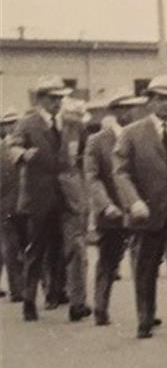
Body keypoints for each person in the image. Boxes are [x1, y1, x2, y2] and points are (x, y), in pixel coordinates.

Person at [113, 74, 167, 342]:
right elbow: (121, 172)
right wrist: (134, 201)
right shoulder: (132, 134)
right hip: (146, 211)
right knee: (145, 268)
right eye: (160, 98)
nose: (165, 104)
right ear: (149, 102)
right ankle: (145, 319)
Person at [8, 75, 73, 321]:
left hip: (61, 195)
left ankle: (54, 292)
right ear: (41, 99)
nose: (58, 103)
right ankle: (28, 300)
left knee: (58, 248)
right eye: (53, 98)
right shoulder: (27, 123)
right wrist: (24, 154)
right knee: (36, 249)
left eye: (60, 98)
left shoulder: (65, 122)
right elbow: (12, 145)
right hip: (37, 197)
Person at [84, 90, 144, 325]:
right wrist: (105, 205)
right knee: (108, 261)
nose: (132, 112)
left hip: (139, 210)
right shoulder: (97, 141)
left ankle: (145, 314)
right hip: (112, 211)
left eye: (134, 107)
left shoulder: (142, 137)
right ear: (116, 111)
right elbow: (92, 177)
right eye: (126, 108)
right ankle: (101, 308)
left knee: (142, 264)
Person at [57, 98, 92, 322]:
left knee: (71, 249)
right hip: (71, 197)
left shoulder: (75, 134)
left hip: (70, 196)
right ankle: (75, 300)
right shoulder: (70, 134)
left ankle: (62, 293)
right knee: (76, 249)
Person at [0, 108, 24, 302]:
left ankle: (21, 287)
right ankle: (17, 289)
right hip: (5, 204)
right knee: (10, 246)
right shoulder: (2, 149)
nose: (13, 126)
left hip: (23, 202)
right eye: (8, 124)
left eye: (15, 123)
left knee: (17, 246)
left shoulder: (21, 146)